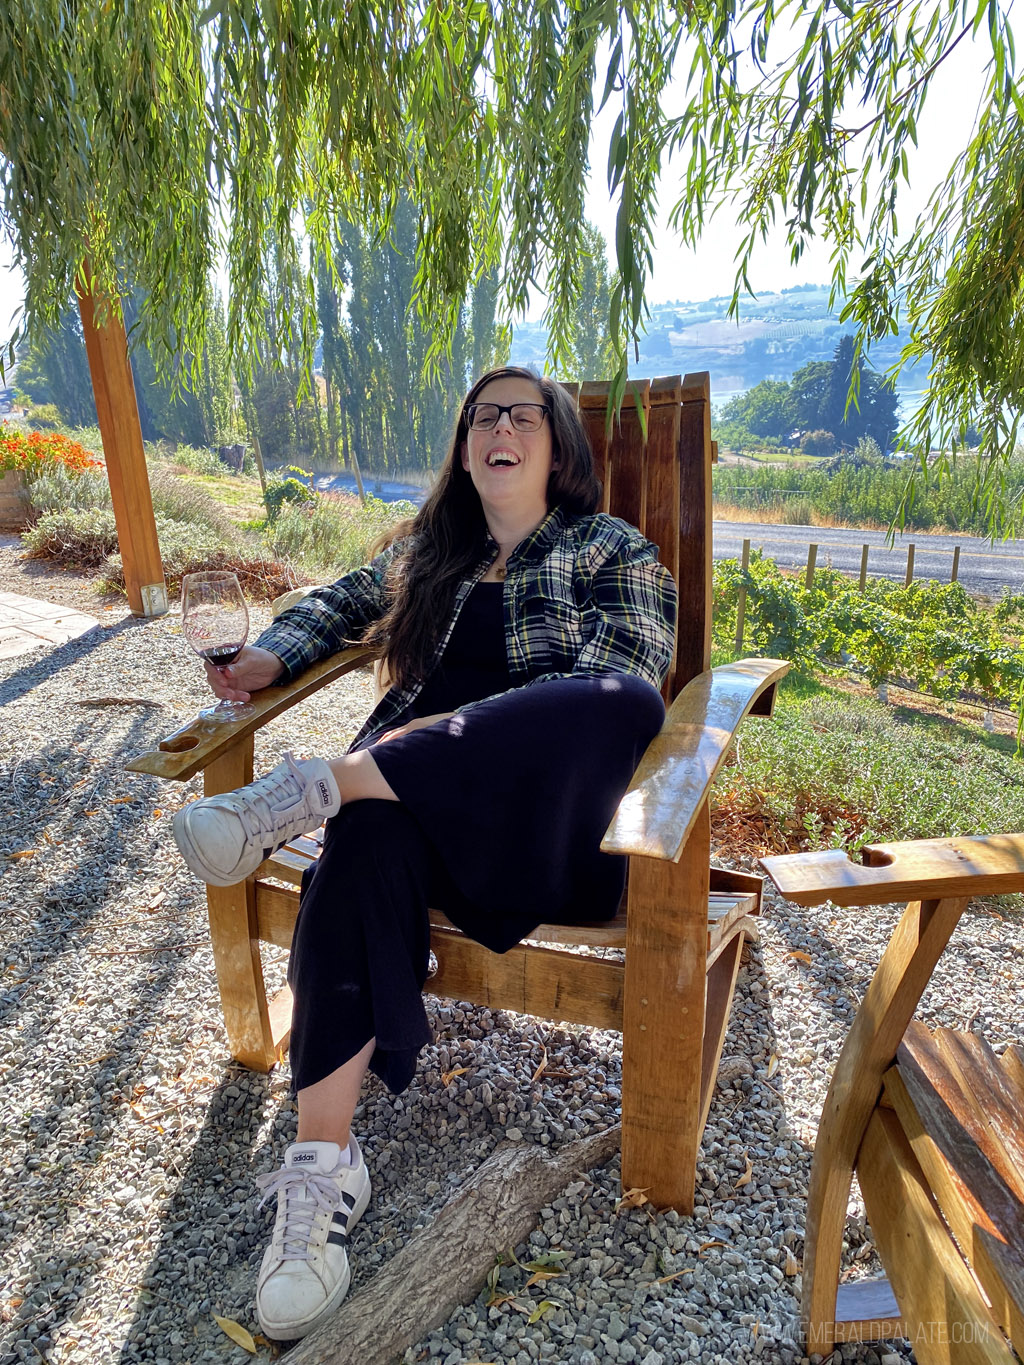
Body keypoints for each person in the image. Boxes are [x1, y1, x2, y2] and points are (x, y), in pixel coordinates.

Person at [172, 366, 678, 1341]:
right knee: (363, 836)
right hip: (413, 825)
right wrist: (272, 654)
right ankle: (319, 1182)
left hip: (547, 833)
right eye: (480, 415)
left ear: (556, 446)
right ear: (463, 447)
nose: (497, 427)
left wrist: (463, 737)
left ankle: (314, 787)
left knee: (625, 700)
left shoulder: (610, 550)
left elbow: (630, 678)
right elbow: (331, 606)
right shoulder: (426, 552)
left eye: (520, 415)